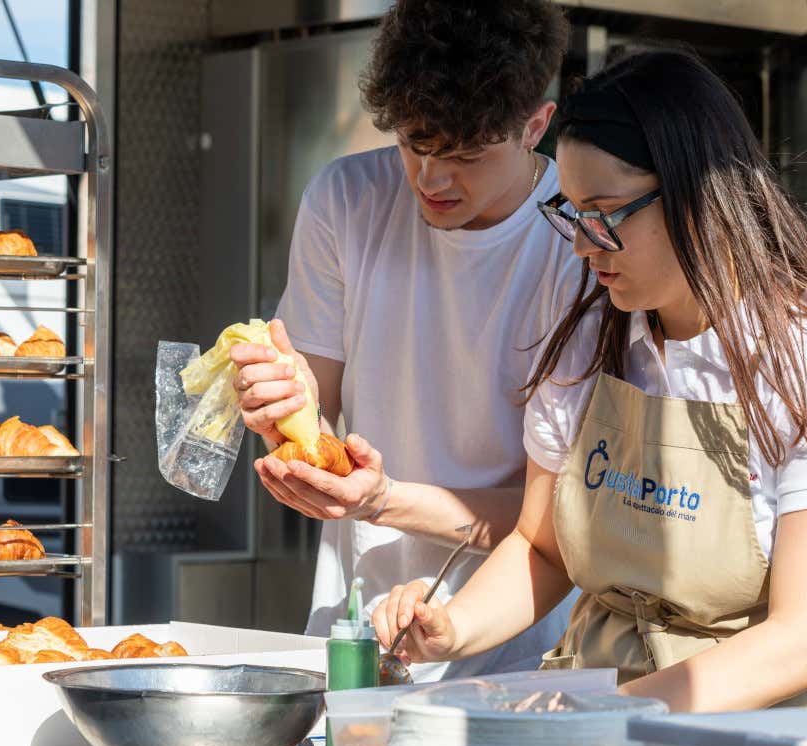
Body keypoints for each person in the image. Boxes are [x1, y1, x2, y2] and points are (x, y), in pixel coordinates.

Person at [372, 50, 807, 711]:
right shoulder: (590, 334)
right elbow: (542, 548)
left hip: (763, 736)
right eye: (571, 213)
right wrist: (453, 628)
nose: (581, 245)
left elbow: (802, 643)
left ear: (695, 195)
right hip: (599, 715)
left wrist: (608, 715)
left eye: (604, 214)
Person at [229, 0, 581, 681]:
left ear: (536, 126)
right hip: (356, 630)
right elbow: (311, 419)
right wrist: (280, 415)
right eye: (415, 145)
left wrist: (383, 500)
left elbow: (564, 521)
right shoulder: (346, 199)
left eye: (467, 155)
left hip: (521, 647)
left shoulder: (581, 237)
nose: (431, 179)